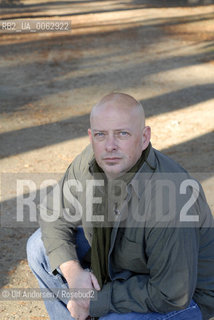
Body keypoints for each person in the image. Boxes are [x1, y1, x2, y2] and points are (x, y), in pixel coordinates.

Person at [27, 93, 214, 320]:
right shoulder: (90, 161)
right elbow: (52, 213)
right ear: (91, 137)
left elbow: (171, 293)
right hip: (125, 265)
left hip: (184, 298)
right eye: (100, 134)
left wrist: (96, 301)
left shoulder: (171, 197)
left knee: (114, 318)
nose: (110, 146)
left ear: (144, 137)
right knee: (39, 247)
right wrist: (74, 274)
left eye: (122, 134)